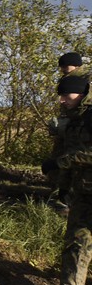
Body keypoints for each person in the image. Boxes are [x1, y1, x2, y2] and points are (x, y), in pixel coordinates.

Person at [36, 75, 92, 285]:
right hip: (83, 191)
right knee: (78, 239)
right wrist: (64, 188)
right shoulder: (75, 119)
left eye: (65, 95)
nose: (61, 100)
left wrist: (60, 162)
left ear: (79, 93)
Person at [49, 52, 92, 213]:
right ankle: (63, 196)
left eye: (66, 68)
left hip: (78, 127)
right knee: (65, 159)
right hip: (71, 125)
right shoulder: (69, 80)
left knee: (70, 160)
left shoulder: (84, 80)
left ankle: (65, 198)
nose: (64, 71)